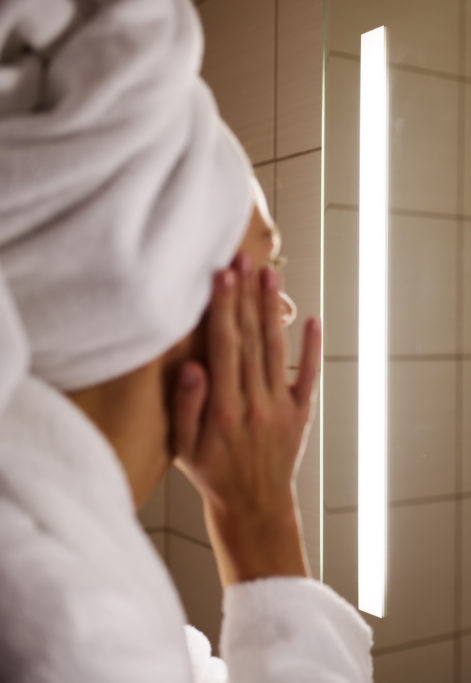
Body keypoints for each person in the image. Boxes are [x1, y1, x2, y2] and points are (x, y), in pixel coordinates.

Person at [0, 0, 371, 681]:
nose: (282, 306)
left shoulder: (62, 564)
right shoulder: (65, 630)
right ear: (160, 284)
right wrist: (263, 526)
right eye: (268, 258)